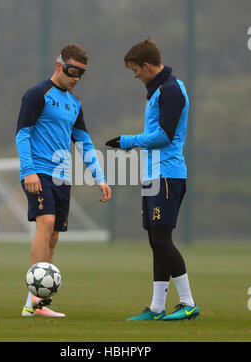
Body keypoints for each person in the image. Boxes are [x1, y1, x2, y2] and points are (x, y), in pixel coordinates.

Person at [106, 38, 199, 321]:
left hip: (167, 174)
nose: (134, 75)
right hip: (153, 175)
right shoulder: (158, 89)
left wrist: (127, 140)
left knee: (161, 240)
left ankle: (188, 303)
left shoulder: (171, 90)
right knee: (155, 241)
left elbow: (164, 136)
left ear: (147, 66)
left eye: (135, 69)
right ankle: (157, 308)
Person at [16, 44, 112, 317]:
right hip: (38, 172)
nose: (76, 78)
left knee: (54, 237)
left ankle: (36, 305)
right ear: (59, 65)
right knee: (45, 222)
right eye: (72, 71)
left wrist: (101, 178)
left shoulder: (74, 104)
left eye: (81, 73)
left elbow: (83, 141)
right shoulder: (37, 94)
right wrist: (29, 171)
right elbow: (22, 135)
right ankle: (35, 302)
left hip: (61, 177)